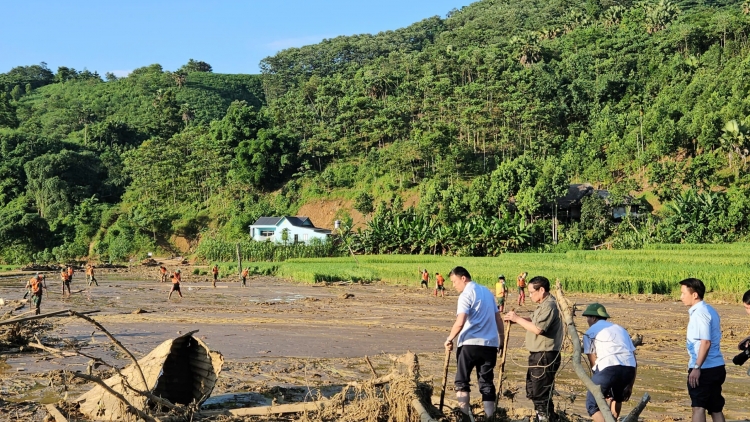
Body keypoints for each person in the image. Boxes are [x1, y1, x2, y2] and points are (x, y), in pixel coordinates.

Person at [444, 266, 504, 419]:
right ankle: (490, 417)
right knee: (486, 382)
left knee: (462, 381)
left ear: (463, 278)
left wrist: (449, 339)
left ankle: (464, 416)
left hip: (469, 344)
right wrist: (501, 340)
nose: (453, 285)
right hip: (490, 344)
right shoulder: (488, 293)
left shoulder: (466, 295)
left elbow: (460, 321)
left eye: (454, 281)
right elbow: (498, 319)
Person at [504, 276, 563, 422]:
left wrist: (518, 319)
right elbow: (533, 320)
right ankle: (547, 417)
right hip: (538, 355)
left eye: (531, 292)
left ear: (541, 290)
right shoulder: (543, 305)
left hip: (544, 355)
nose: (529, 295)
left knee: (540, 392)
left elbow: (538, 329)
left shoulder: (550, 305)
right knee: (534, 389)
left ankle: (543, 418)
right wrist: (516, 319)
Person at [680, 278, 726, 422]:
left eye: (683, 293)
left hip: (704, 369)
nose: (681, 297)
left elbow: (705, 342)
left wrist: (697, 367)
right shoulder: (710, 309)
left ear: (694, 295)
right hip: (717, 366)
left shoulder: (699, 313)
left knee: (698, 407)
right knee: (715, 408)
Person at [582, 303, 637, 422]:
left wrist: (598, 384)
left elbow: (593, 361)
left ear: (594, 318)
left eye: (588, 317)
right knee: (617, 397)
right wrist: (630, 385)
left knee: (592, 405)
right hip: (629, 368)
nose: (587, 320)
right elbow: (633, 357)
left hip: (608, 367)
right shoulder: (620, 329)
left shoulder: (589, 332)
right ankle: (614, 419)